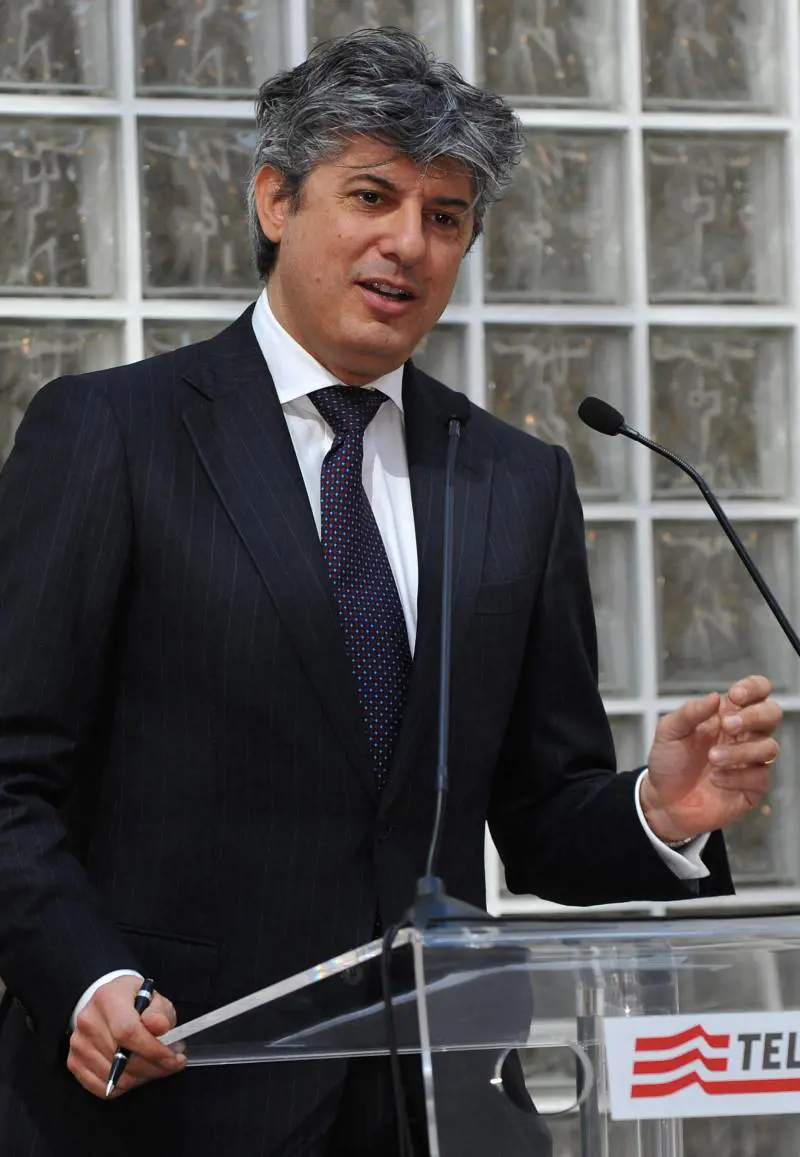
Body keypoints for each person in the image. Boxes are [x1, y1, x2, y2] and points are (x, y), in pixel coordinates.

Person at [0, 26, 781, 1157]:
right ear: (275, 199)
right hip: (171, 1089)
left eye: (446, 217)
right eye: (372, 196)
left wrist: (658, 812)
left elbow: (537, 812)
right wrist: (84, 975)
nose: (408, 243)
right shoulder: (114, 434)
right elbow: (11, 772)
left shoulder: (513, 479)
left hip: (436, 1105)